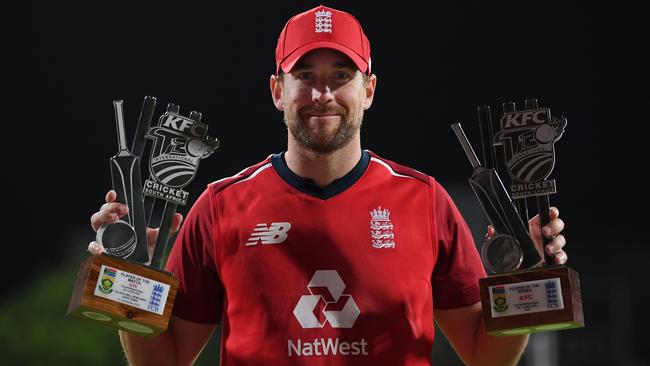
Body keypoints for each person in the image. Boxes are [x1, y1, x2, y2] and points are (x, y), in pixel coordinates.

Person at [89, 5, 567, 366]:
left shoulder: (424, 201)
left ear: (369, 89)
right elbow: (165, 360)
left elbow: (485, 355)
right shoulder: (221, 205)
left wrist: (527, 281)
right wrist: (123, 281)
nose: (323, 94)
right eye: (304, 75)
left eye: (341, 76)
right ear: (278, 90)